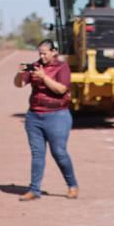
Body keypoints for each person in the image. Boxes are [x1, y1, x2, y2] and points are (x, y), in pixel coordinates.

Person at [14, 40, 79, 201]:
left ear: (54, 51)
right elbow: (19, 84)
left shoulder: (62, 67)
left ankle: (72, 185)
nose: (42, 56)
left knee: (59, 152)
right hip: (34, 116)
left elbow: (61, 89)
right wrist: (20, 73)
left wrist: (44, 77)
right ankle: (34, 189)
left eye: (45, 53)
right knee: (37, 154)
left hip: (57, 116)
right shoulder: (35, 66)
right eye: (40, 53)